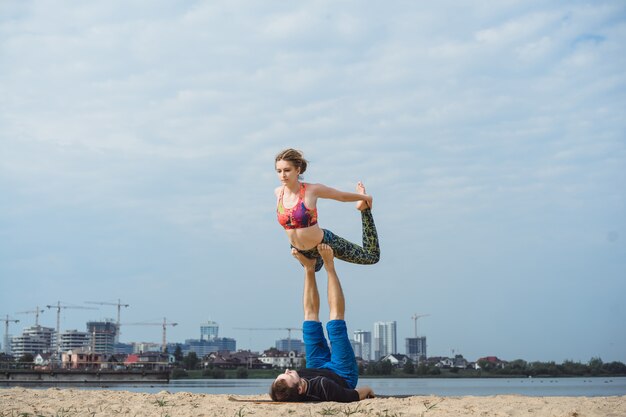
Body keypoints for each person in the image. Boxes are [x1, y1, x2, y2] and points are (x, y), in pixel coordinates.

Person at [270, 244, 375, 402]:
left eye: (284, 372)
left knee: (309, 321)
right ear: (300, 388)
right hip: (342, 373)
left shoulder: (287, 389)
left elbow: (279, 395)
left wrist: (288, 379)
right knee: (336, 323)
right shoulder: (325, 387)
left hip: (315, 365)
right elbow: (357, 394)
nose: (287, 369)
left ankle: (309, 267)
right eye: (288, 374)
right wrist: (369, 390)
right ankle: (329, 265)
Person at [275, 148, 380, 272]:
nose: (283, 175)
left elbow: (341, 196)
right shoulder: (278, 193)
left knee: (371, 257)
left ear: (297, 170)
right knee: (314, 269)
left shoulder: (312, 190)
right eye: (279, 171)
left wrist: (364, 197)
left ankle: (364, 209)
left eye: (287, 170)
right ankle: (312, 262)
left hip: (324, 242)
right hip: (300, 250)